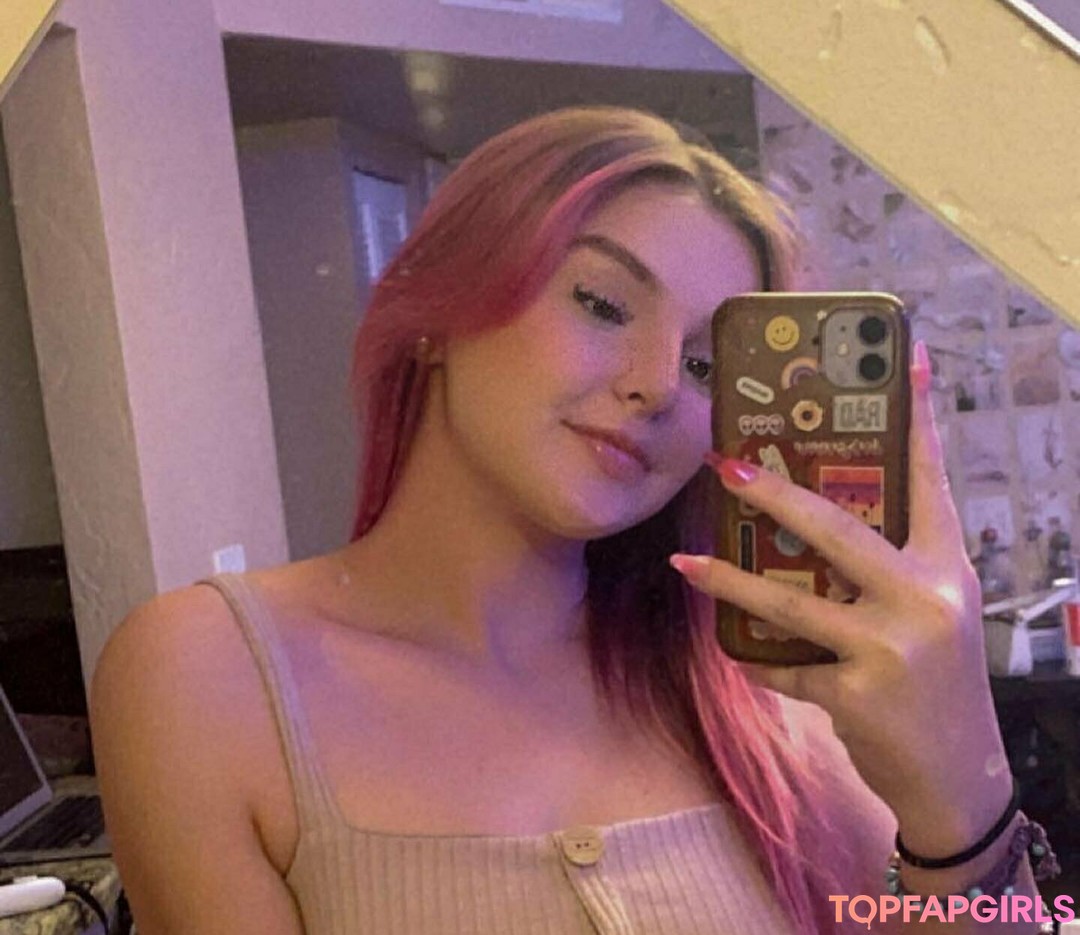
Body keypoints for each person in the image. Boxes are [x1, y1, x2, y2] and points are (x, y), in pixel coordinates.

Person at [90, 107, 1057, 934]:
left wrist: (962, 792)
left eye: (706, 364)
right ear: (439, 308)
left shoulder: (777, 697)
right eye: (602, 302)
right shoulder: (209, 676)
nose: (655, 383)